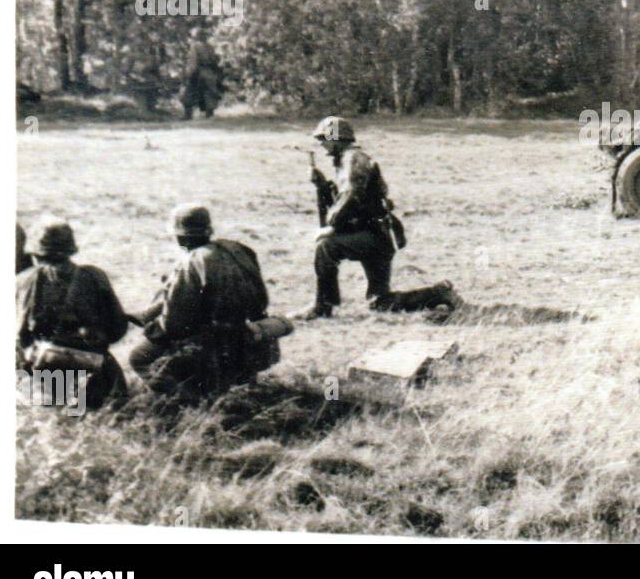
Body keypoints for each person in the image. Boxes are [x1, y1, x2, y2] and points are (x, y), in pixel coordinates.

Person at [296, 117, 459, 318]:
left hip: (372, 236)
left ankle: (323, 305)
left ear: (336, 138)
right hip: (377, 236)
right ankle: (439, 293)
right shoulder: (349, 159)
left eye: (324, 138)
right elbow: (348, 199)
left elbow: (350, 196)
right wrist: (322, 186)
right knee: (380, 303)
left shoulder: (352, 158)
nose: (321, 144)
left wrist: (332, 227)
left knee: (326, 248)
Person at [129, 204, 274, 399]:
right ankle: (239, 385)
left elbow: (175, 324)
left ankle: (187, 401)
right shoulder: (239, 249)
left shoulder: (191, 262)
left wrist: (153, 331)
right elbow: (259, 298)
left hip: (213, 343)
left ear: (180, 236)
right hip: (247, 334)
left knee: (139, 358)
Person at [16, 218, 128, 410]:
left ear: (35, 252)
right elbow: (118, 329)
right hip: (93, 374)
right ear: (71, 248)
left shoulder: (22, 281)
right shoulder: (94, 276)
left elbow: (20, 335)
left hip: (42, 373)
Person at [180, 30, 223, 119]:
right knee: (209, 92)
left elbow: (193, 61)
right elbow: (215, 60)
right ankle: (209, 114)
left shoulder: (195, 46)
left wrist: (190, 74)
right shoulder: (210, 47)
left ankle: (188, 115)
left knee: (189, 92)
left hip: (198, 72)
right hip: (209, 72)